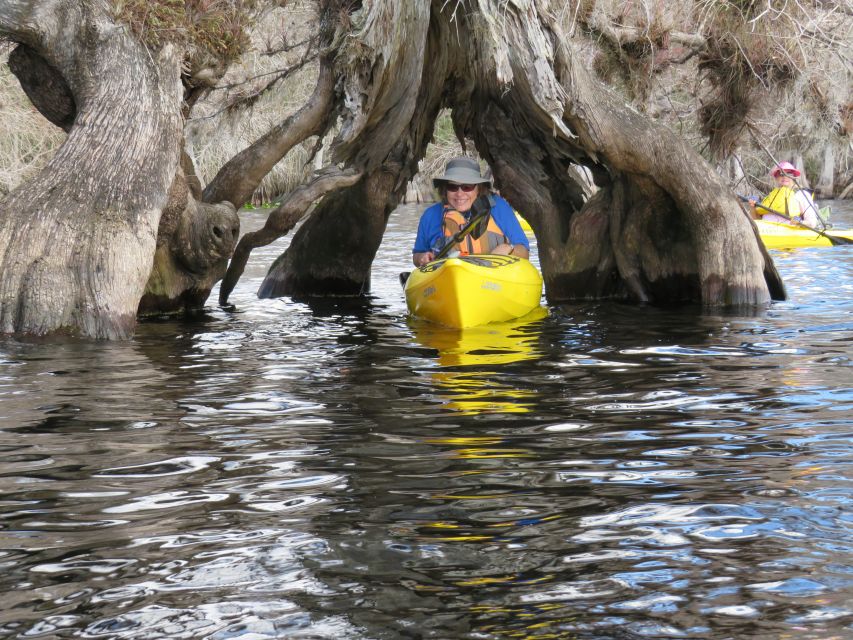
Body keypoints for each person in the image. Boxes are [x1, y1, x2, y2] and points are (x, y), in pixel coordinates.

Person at [412, 157, 530, 267]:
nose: (459, 194)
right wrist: (421, 258)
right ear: (445, 189)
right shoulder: (430, 215)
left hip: (494, 277)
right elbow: (417, 256)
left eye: (467, 187)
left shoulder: (498, 207)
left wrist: (510, 250)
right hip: (448, 276)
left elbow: (524, 251)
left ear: (478, 188)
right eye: (453, 187)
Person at [749, 161, 820, 227]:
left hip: (788, 234)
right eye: (781, 174)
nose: (785, 177)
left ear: (793, 177)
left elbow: (812, 222)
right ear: (776, 177)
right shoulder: (773, 195)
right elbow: (756, 220)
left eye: (788, 174)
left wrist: (800, 222)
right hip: (766, 230)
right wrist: (752, 207)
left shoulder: (802, 195)